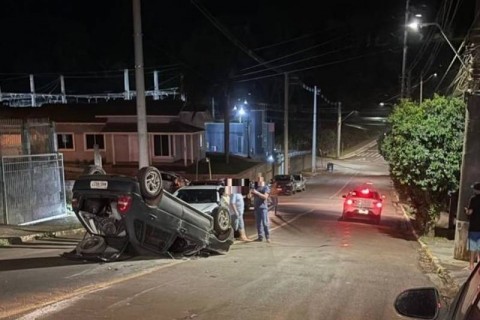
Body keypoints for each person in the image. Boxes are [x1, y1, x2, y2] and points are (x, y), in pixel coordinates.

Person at [251, 176, 271, 243]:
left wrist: (257, 193)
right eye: (258, 180)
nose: (258, 181)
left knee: (265, 223)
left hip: (263, 208)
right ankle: (260, 237)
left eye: (260, 180)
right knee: (258, 223)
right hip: (256, 207)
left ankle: (267, 237)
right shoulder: (255, 187)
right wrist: (250, 192)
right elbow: (249, 196)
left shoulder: (266, 187)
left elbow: (265, 197)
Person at [465, 182, 480, 270]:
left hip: (474, 226)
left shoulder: (473, 199)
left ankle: (471, 265)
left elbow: (470, 212)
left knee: (473, 247)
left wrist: (466, 211)